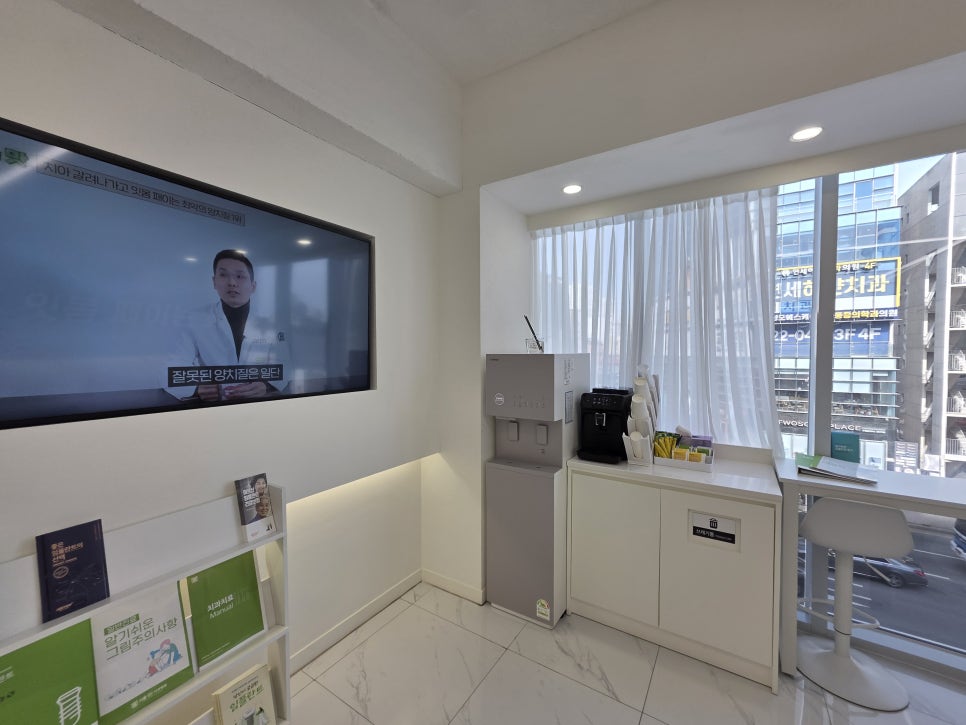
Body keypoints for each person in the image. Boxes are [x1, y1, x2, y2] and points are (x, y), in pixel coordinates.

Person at [164, 250, 290, 401]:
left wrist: (265, 385)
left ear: (253, 286)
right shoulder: (194, 319)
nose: (232, 283)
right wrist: (196, 388)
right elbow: (173, 365)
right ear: (214, 282)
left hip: (258, 404)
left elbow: (285, 366)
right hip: (213, 405)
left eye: (240, 276)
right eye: (223, 275)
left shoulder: (270, 323)